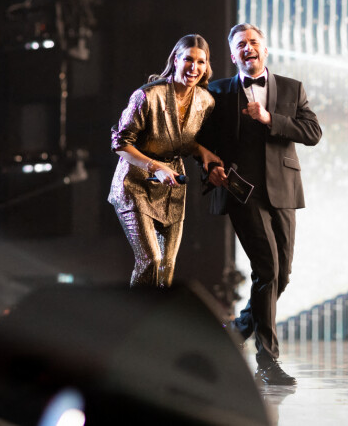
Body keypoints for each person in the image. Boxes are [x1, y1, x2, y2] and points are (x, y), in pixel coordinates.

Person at [197, 23, 322, 386]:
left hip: (283, 190)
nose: (248, 48)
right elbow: (201, 145)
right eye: (240, 45)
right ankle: (267, 361)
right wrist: (211, 170)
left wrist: (270, 119)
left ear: (264, 49)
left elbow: (312, 133)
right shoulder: (216, 91)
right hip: (242, 194)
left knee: (281, 275)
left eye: (253, 42)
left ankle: (236, 330)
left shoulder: (292, 88)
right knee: (266, 269)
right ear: (233, 54)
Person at [108, 34, 220, 288]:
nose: (194, 68)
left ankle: (156, 324)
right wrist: (154, 166)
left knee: (167, 267)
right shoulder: (147, 96)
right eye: (188, 60)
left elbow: (181, 140)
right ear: (175, 60)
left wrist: (203, 152)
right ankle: (133, 322)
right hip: (135, 183)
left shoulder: (206, 101)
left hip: (172, 186)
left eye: (201, 62)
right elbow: (120, 143)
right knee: (150, 261)